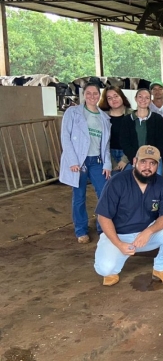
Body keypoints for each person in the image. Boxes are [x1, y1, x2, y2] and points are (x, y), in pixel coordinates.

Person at [93, 145, 163, 287]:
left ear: (157, 165)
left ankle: (160, 268)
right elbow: (103, 217)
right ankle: (116, 261)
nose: (147, 167)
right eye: (143, 162)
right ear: (134, 161)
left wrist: (149, 231)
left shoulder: (162, 184)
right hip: (119, 235)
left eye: (152, 163)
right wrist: (119, 244)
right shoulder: (117, 182)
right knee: (105, 268)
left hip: (146, 234)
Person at [60, 83, 112, 244]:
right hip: (79, 162)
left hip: (97, 160)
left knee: (104, 194)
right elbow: (65, 137)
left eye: (95, 93)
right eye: (88, 93)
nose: (92, 96)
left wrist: (107, 164)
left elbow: (106, 144)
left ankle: (102, 228)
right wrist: (73, 161)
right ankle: (81, 230)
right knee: (79, 196)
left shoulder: (104, 117)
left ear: (99, 95)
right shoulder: (73, 112)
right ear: (84, 95)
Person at [120, 88, 163, 176]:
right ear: (135, 99)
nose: (143, 100)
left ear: (150, 100)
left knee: (154, 187)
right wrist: (134, 157)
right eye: (140, 97)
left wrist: (154, 158)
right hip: (134, 159)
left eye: (147, 98)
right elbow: (125, 142)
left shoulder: (157, 119)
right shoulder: (127, 120)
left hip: (153, 160)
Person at [98, 85, 132, 174]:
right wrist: (111, 161)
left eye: (116, 96)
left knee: (128, 184)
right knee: (113, 185)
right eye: (109, 98)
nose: (114, 100)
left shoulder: (132, 115)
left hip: (129, 154)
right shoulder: (102, 116)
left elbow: (136, 139)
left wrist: (125, 160)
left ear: (122, 96)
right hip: (108, 155)